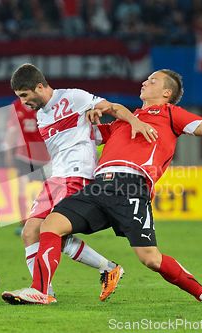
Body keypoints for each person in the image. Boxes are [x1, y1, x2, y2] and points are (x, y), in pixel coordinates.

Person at [2, 69, 202, 305]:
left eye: (152, 80)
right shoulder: (124, 121)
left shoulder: (170, 115)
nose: (145, 81)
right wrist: (84, 118)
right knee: (50, 226)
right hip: (98, 185)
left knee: (150, 259)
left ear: (166, 93)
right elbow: (81, 137)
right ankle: (41, 291)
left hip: (131, 186)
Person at [9, 63, 157, 301]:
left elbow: (112, 108)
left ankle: (40, 290)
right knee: (30, 232)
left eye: (25, 96)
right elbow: (84, 136)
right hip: (57, 177)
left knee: (51, 230)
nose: (24, 102)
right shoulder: (40, 115)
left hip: (76, 174)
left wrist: (135, 122)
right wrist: (93, 125)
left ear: (39, 86)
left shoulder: (73, 97)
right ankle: (100, 271)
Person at [4, 99, 51, 234]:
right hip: (24, 155)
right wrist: (8, 152)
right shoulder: (16, 106)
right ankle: (24, 222)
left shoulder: (45, 103)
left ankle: (49, 220)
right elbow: (12, 130)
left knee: (50, 190)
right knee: (22, 187)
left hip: (45, 156)